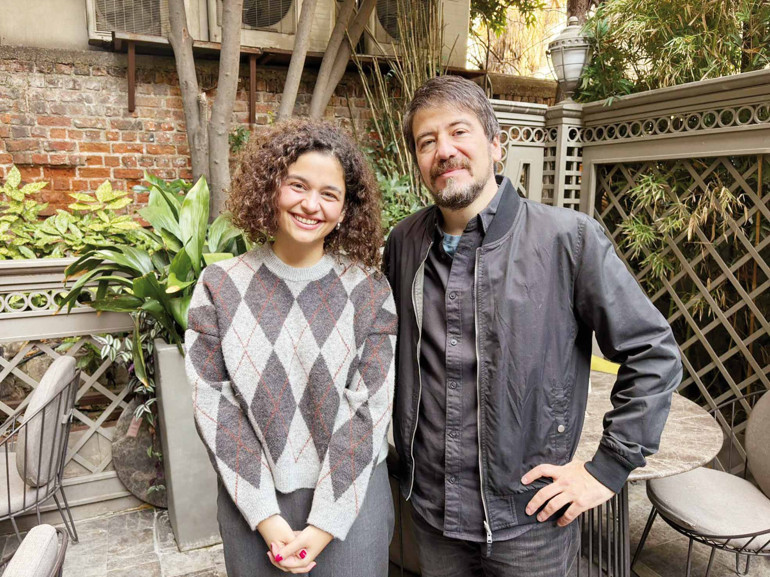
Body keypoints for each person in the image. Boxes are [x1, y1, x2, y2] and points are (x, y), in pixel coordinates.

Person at [383, 75, 682, 577]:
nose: (444, 151)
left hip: (531, 520)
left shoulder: (568, 240)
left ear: (496, 145)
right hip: (434, 516)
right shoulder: (405, 242)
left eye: (459, 132)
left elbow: (652, 352)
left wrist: (607, 469)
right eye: (426, 141)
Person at [185, 119, 396, 576]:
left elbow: (369, 408)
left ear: (346, 210)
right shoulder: (219, 286)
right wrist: (266, 516)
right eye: (297, 185)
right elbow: (214, 406)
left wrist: (324, 524)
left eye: (329, 194)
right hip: (254, 504)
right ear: (271, 187)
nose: (310, 204)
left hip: (352, 501)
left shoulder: (370, 291)